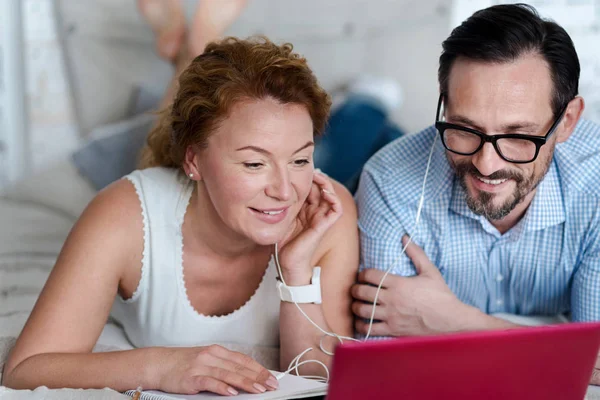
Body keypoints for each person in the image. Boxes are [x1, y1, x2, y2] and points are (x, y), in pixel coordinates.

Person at [2, 1, 359, 396]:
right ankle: (191, 46)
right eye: (255, 164)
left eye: (301, 159)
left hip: (201, 159)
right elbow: (24, 370)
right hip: (172, 180)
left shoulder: (327, 213)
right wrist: (159, 364)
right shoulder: (125, 213)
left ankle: (193, 46)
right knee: (150, 138)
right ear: (194, 161)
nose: (285, 190)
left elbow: (320, 377)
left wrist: (296, 274)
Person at [351, 3, 600, 385]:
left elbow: (594, 367)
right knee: (341, 151)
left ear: (566, 122)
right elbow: (385, 366)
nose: (485, 164)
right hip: (389, 166)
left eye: (518, 137)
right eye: (465, 128)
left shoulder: (595, 184)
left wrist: (457, 324)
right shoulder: (388, 181)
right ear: (445, 102)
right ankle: (365, 106)